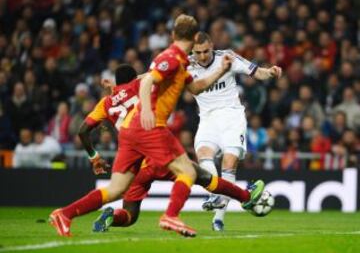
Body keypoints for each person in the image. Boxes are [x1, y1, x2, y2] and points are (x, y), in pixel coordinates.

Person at [49, 15, 264, 238]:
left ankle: (64, 214)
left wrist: (220, 71)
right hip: (149, 129)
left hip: (132, 134)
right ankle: (171, 215)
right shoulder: (171, 58)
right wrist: (148, 111)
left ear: (173, 35)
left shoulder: (180, 61)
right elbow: (149, 81)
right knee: (188, 171)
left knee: (116, 189)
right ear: (192, 38)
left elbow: (196, 88)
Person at [187, 32, 282, 231]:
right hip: (207, 119)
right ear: (192, 50)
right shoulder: (186, 64)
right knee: (204, 154)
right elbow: (155, 75)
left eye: (205, 51)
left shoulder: (227, 57)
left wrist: (271, 72)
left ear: (212, 45)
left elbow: (256, 72)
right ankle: (216, 195)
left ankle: (218, 220)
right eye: (198, 52)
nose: (202, 56)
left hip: (231, 116)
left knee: (229, 163)